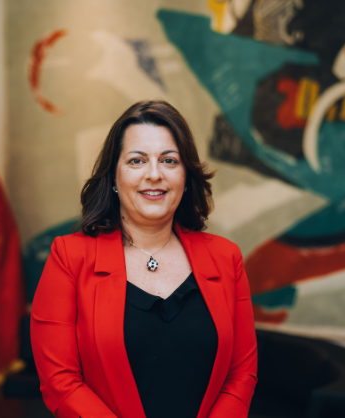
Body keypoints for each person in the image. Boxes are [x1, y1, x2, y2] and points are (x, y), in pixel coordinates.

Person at [30, 100, 258, 418]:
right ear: (113, 176)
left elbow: (241, 375)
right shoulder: (69, 257)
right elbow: (60, 381)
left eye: (169, 161)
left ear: (186, 176)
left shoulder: (226, 258)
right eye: (137, 161)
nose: (154, 174)